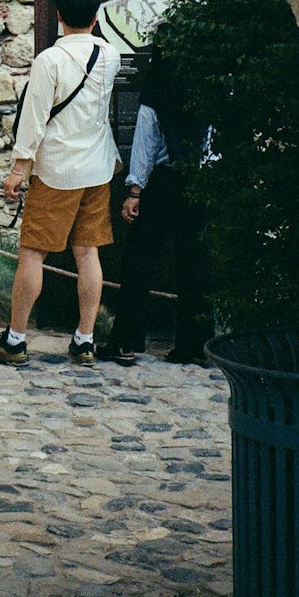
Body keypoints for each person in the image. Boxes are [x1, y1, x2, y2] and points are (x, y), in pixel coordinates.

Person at [0, 0, 121, 368]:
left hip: (57, 170)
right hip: (97, 169)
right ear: (96, 18)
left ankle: (15, 340)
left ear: (58, 16)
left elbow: (34, 119)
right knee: (88, 253)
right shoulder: (109, 57)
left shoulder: (49, 61)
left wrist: (18, 169)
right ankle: (84, 340)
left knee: (32, 253)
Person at [98, 53, 210, 365]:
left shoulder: (158, 88)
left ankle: (127, 340)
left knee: (139, 260)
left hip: (163, 182)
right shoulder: (207, 86)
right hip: (198, 181)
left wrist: (135, 190)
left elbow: (146, 142)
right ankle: (195, 343)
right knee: (194, 263)